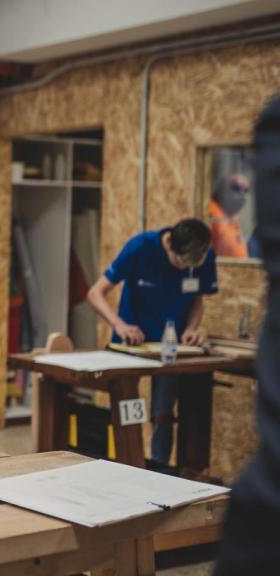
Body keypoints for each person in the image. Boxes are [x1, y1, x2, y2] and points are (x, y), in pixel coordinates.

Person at [87, 218, 218, 469]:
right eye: (180, 263)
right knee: (127, 407)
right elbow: (95, 293)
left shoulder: (202, 254)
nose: (183, 270)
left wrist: (191, 329)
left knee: (163, 414)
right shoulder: (140, 248)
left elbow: (197, 300)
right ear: (168, 242)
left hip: (169, 346)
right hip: (132, 342)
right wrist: (118, 324)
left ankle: (158, 470)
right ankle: (121, 464)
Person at [214, 97, 280, 574]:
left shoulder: (236, 228)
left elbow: (197, 296)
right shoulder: (218, 224)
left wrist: (195, 322)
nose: (244, 189)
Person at [208, 173, 251, 258]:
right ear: (222, 189)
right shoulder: (210, 210)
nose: (242, 194)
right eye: (236, 188)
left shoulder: (233, 216)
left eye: (246, 190)